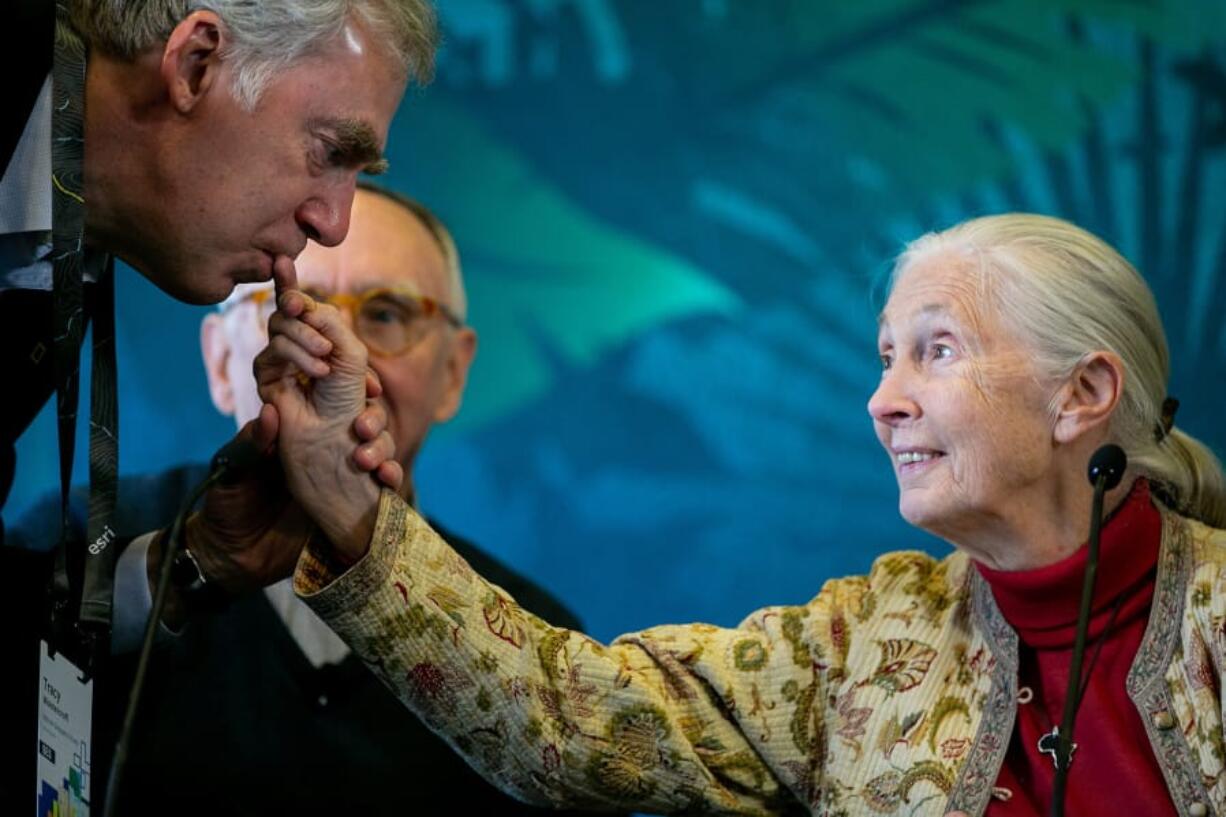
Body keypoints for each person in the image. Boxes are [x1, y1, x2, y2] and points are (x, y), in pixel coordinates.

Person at [258, 213, 1226, 816]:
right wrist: (342, 498)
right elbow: (564, 720)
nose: (880, 400)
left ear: (1081, 393)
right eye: (883, 355)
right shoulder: (861, 642)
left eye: (934, 350)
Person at [15, 184, 593, 815]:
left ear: (453, 373)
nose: (340, 359)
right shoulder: (75, 545)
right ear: (218, 359)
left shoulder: (538, 647)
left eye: (386, 314)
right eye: (296, 314)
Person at [1, 2, 433, 809]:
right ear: (196, 62)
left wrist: (194, 563)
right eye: (331, 152)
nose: (333, 224)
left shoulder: (48, 256)